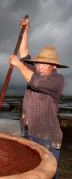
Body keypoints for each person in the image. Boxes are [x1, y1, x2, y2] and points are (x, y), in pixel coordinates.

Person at [9, 18, 69, 179]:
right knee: (32, 169)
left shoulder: (57, 80)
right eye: (38, 63)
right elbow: (24, 54)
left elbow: (34, 81)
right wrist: (25, 32)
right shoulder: (35, 72)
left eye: (45, 64)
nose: (40, 66)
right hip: (29, 130)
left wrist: (19, 66)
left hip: (47, 135)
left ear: (54, 66)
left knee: (48, 173)